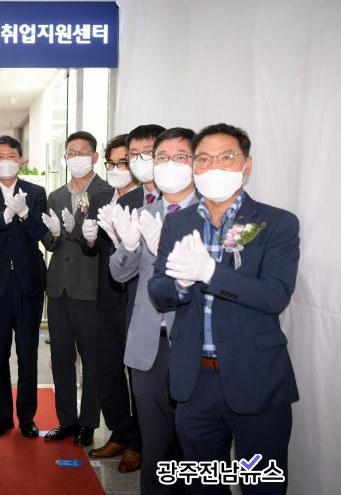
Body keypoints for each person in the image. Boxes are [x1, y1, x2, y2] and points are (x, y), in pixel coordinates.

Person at [148, 123, 299, 494]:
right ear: (194, 168)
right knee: (204, 485)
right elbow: (158, 291)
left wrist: (211, 274)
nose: (214, 167)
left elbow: (275, 296)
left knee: (262, 485)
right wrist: (181, 285)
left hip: (255, 377)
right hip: (194, 380)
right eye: (204, 159)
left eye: (226, 157)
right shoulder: (178, 222)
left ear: (247, 164)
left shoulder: (276, 222)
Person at [108, 127, 199, 492]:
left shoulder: (211, 213)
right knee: (154, 438)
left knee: (191, 440)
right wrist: (129, 246)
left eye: (180, 157)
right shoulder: (145, 212)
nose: (168, 165)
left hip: (191, 341)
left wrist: (167, 251)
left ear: (194, 163)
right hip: (148, 340)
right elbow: (120, 273)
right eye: (162, 158)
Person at [0, 135, 48, 438]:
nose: (6, 161)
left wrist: (25, 214)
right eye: (0, 156)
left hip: (28, 282)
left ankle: (27, 416)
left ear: (20, 160)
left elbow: (41, 233)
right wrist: (4, 216)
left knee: (28, 354)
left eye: (11, 156)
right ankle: (2, 416)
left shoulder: (36, 192)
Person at [41, 131, 110, 447]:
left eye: (83, 151)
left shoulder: (106, 193)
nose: (76, 157)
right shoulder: (55, 195)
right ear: (65, 158)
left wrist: (84, 234)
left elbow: (106, 241)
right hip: (58, 288)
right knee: (60, 357)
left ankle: (88, 422)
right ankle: (66, 420)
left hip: (90, 287)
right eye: (71, 152)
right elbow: (50, 242)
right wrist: (55, 235)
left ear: (94, 157)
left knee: (92, 359)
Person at [80, 134, 142, 472]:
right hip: (105, 296)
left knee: (138, 375)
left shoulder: (147, 199)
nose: (117, 169)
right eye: (112, 163)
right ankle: (120, 432)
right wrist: (90, 241)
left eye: (124, 163)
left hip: (136, 299)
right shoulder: (102, 196)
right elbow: (94, 250)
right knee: (106, 370)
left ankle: (139, 443)